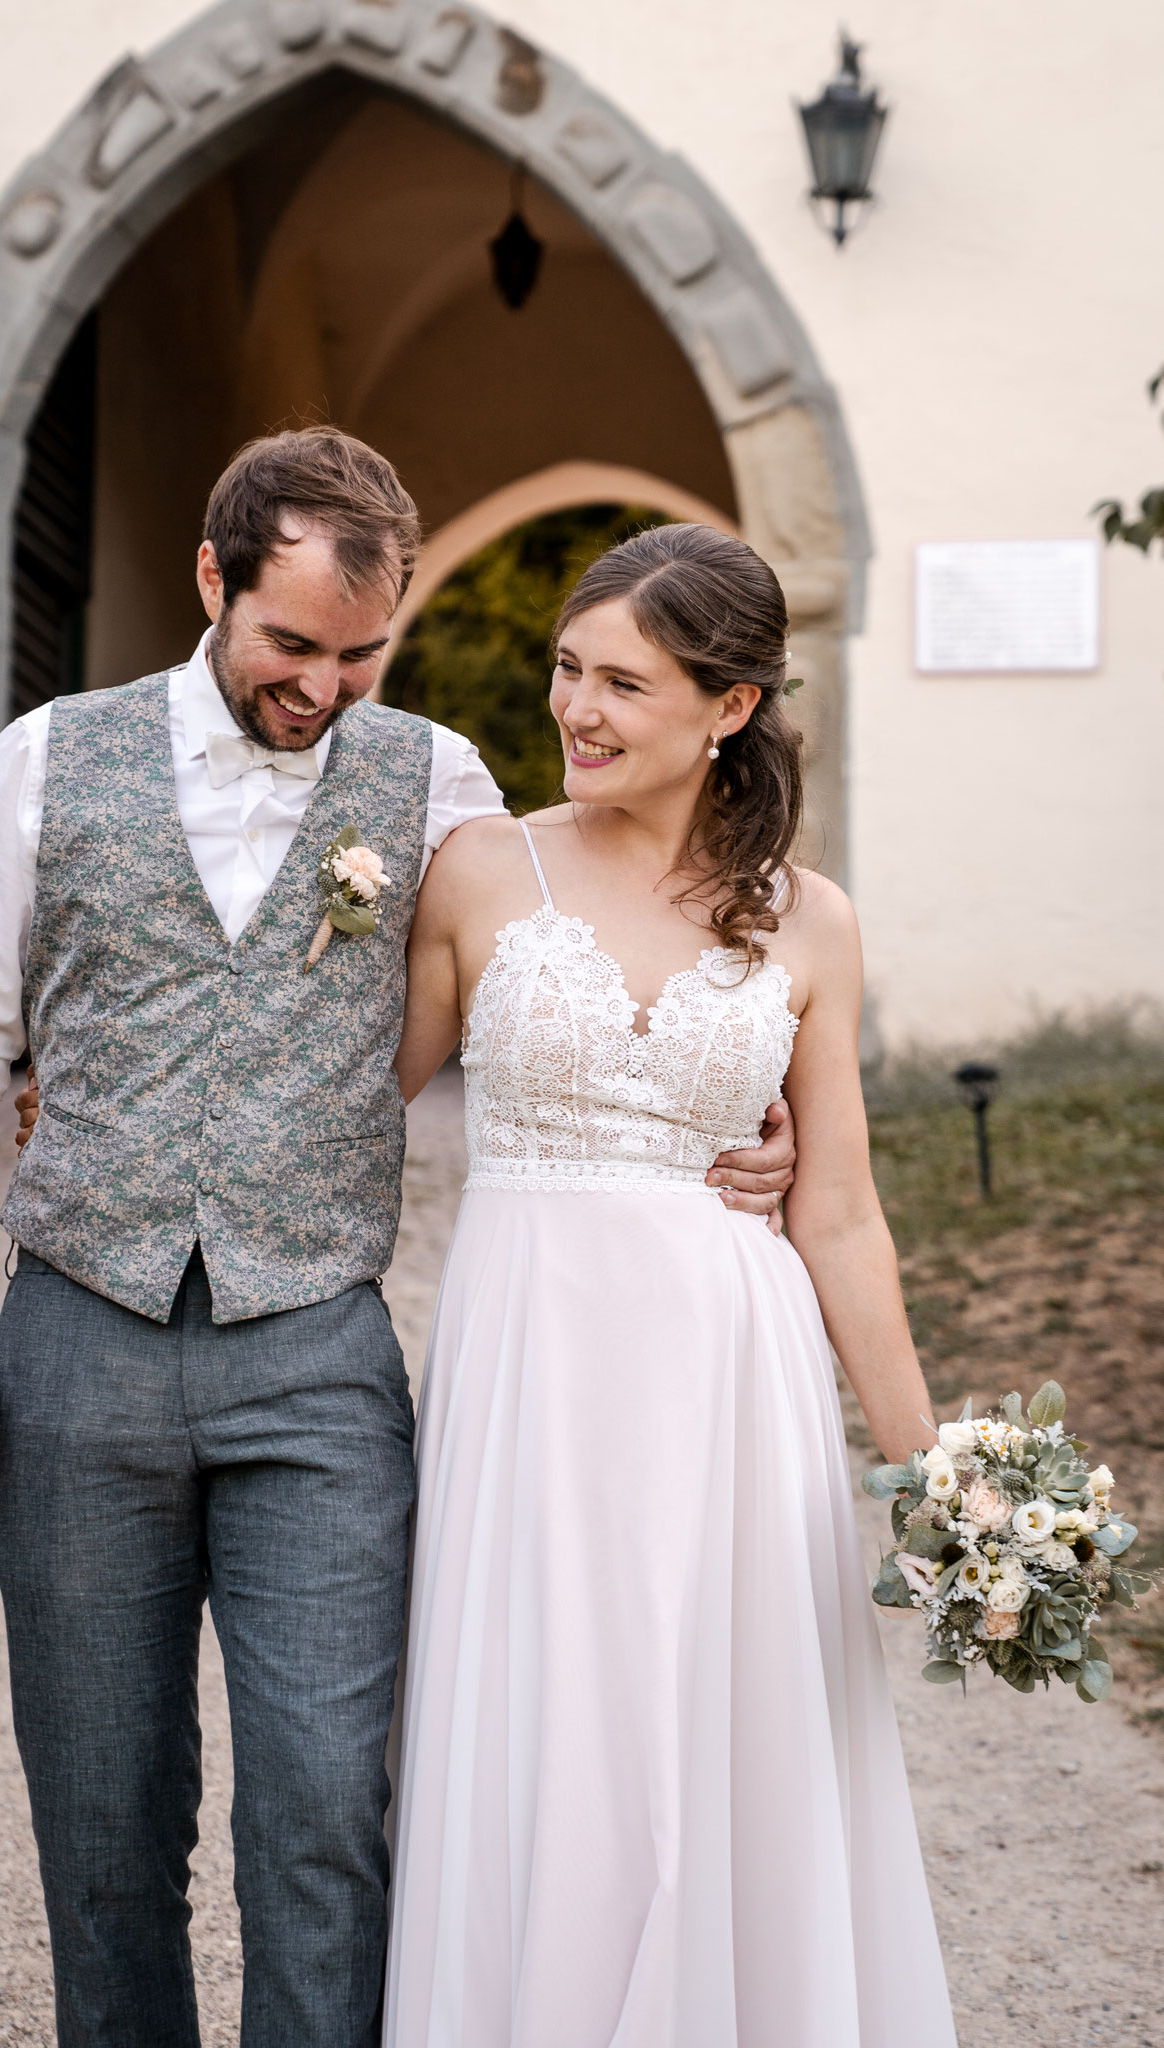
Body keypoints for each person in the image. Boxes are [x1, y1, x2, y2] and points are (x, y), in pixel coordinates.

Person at [0, 430, 796, 2048]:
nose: (321, 687)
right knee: (101, 1824)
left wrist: (730, 1110)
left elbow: (577, 957)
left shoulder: (439, 782)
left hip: (316, 1358)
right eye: (290, 646)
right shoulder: (47, 757)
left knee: (327, 1817)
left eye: (360, 654)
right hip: (77, 1343)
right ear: (211, 581)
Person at [378, 523, 957, 2046]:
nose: (577, 707)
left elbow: (837, 1214)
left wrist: (937, 1475)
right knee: (555, 1733)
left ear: (728, 709)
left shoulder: (809, 918)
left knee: (720, 1744)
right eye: (569, 669)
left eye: (624, 683)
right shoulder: (478, 870)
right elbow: (342, 1108)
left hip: (726, 1379)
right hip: (535, 1367)